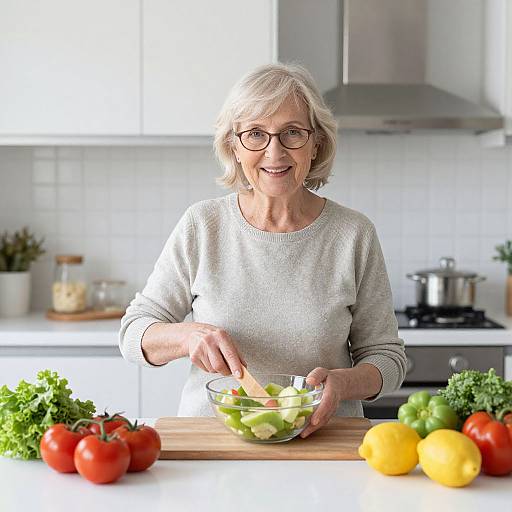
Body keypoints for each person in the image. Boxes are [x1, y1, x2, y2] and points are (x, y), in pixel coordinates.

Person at [119, 62, 406, 438]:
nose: (274, 152)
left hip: (322, 445)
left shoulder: (353, 234)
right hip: (214, 444)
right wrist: (188, 337)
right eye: (255, 134)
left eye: (292, 133)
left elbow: (388, 358)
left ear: (316, 142)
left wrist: (344, 383)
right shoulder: (202, 225)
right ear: (234, 146)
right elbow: (133, 334)